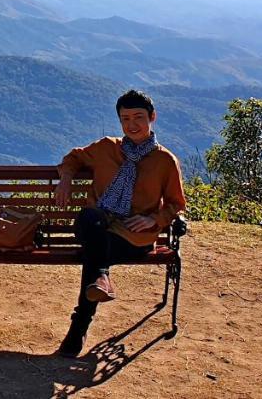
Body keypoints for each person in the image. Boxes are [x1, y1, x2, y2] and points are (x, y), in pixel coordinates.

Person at [52, 89, 186, 358]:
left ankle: (79, 327)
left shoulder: (164, 161)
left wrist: (153, 218)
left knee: (94, 253)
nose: (132, 125)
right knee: (91, 217)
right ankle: (100, 280)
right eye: (125, 119)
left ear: (152, 118)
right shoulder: (105, 148)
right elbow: (73, 158)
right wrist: (65, 178)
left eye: (138, 117)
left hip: (133, 239)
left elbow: (175, 204)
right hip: (97, 226)